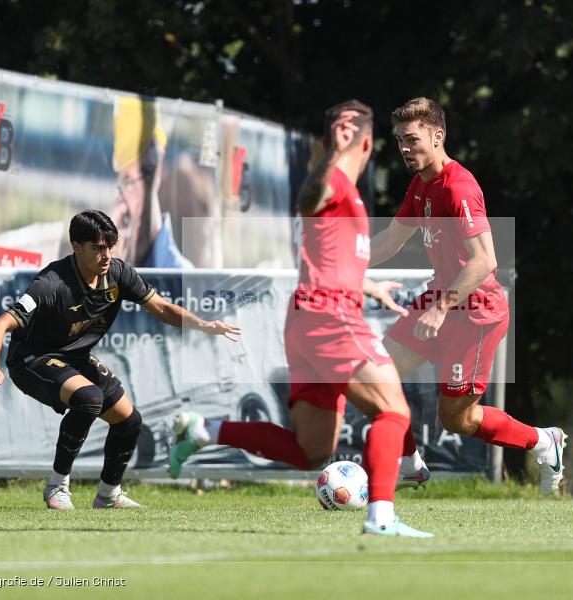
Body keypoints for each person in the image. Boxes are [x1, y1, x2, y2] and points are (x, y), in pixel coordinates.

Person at [169, 100, 432, 538]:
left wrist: (370, 287)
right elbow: (310, 198)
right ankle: (381, 518)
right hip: (330, 316)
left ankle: (204, 430)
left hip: (308, 318)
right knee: (393, 411)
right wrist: (331, 156)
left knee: (311, 451)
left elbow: (331, 260)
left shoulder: (344, 193)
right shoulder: (331, 186)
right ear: (368, 142)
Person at [369, 97, 566, 495]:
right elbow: (391, 238)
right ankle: (409, 464)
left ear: (438, 136)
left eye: (411, 139)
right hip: (441, 300)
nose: (404, 148)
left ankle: (545, 442)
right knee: (375, 373)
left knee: (457, 420)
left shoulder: (459, 187)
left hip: (475, 312)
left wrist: (441, 308)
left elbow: (485, 262)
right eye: (399, 141)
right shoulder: (421, 183)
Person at [0, 209, 240, 510]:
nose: (106, 255)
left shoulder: (117, 273)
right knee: (89, 398)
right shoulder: (50, 283)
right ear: (76, 246)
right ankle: (57, 485)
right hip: (33, 360)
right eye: (98, 248)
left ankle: (108, 495)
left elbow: (162, 308)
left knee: (130, 421)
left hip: (75, 358)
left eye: (111, 246)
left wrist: (204, 324)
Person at [110, 96, 193, 268]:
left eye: (132, 181)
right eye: (124, 181)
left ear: (158, 171)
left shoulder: (180, 274)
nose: (124, 199)